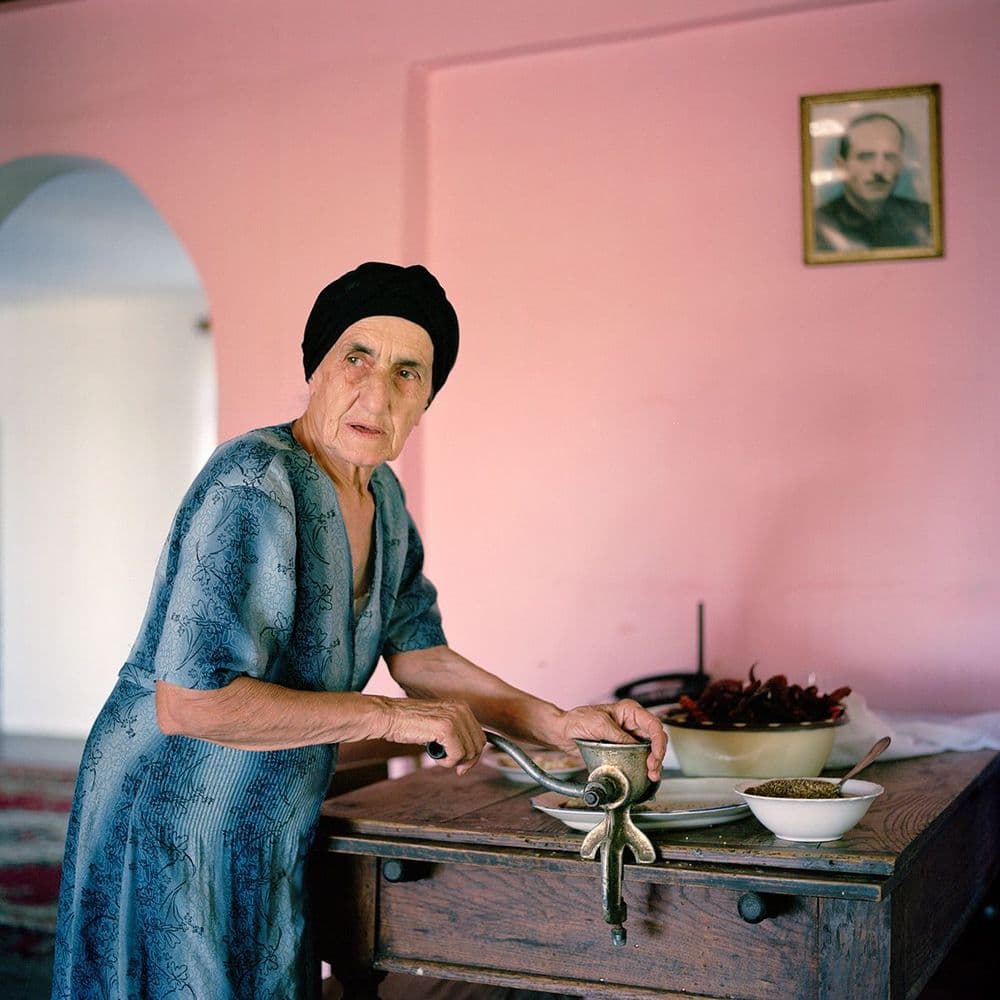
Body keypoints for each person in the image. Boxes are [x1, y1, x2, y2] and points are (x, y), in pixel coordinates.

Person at [51, 261, 666, 1000]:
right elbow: (192, 702)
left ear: (428, 398)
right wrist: (390, 719)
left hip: (267, 814)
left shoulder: (384, 498)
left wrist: (563, 726)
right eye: (357, 358)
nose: (378, 392)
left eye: (409, 372)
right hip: (167, 814)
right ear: (316, 369)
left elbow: (422, 653)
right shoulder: (254, 482)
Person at [814, 111, 932, 252]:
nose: (879, 170)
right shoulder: (816, 225)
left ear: (900, 165)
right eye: (866, 157)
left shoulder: (926, 218)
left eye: (890, 157)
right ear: (842, 166)